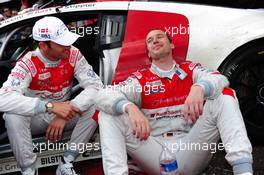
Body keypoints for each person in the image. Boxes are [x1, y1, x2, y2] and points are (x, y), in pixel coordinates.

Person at [95, 29, 253, 175]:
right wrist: (129, 107)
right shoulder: (140, 79)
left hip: (191, 149)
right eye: (150, 40)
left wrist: (199, 87)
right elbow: (102, 96)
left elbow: (221, 79)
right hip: (154, 152)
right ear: (148, 53)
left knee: (225, 94)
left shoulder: (190, 70)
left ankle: (243, 171)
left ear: (171, 44)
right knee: (108, 114)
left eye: (160, 37)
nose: (155, 40)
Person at [0, 16, 102, 175]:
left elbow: (96, 86)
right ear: (43, 45)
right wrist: (50, 107)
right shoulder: (28, 63)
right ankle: (28, 171)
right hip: (38, 116)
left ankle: (66, 163)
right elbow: (3, 99)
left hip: (65, 113)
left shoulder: (73, 53)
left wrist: (67, 112)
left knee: (97, 105)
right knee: (12, 115)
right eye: (62, 43)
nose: (68, 46)